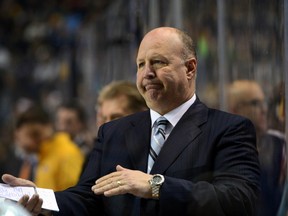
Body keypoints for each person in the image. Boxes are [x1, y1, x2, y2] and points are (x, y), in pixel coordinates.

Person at [2, 27, 260, 216]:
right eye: (140, 64)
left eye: (158, 62)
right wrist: (43, 199)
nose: (147, 73)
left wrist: (155, 185)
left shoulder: (229, 129)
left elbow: (239, 200)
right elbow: (87, 198)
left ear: (190, 68)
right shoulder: (113, 132)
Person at [228, 80, 287, 216]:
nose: (264, 110)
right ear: (235, 110)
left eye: (263, 102)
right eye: (255, 103)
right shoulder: (224, 151)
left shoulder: (280, 143)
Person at [10, 105, 84, 191]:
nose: (22, 143)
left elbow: (72, 195)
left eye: (32, 134)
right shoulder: (43, 155)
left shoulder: (67, 152)